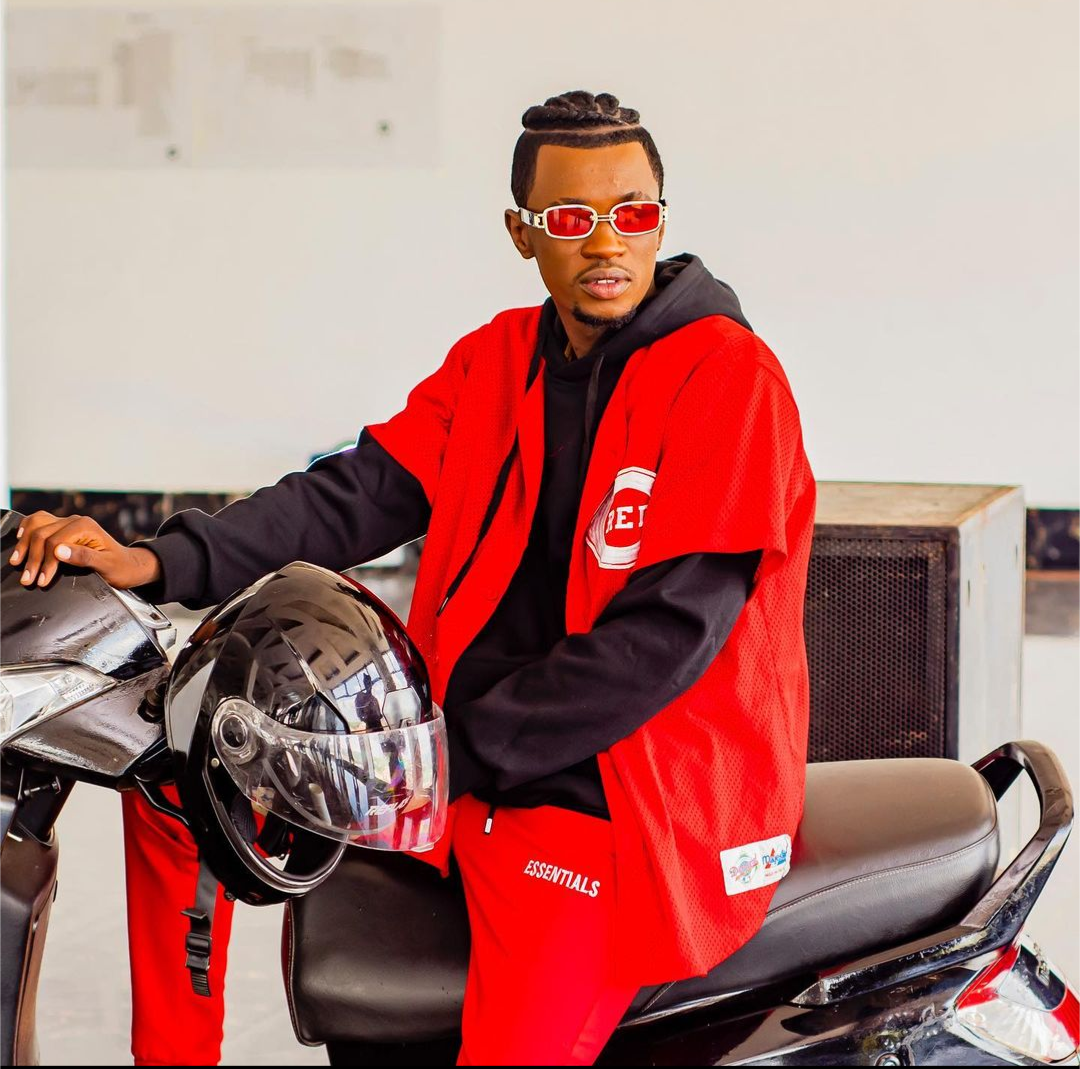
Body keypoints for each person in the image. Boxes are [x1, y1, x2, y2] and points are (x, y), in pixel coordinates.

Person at [9, 90, 816, 1066]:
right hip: (448, 755)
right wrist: (158, 560)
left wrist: (448, 755)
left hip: (610, 791)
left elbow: (665, 641)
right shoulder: (497, 361)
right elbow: (355, 494)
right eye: (571, 217)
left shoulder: (729, 378)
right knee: (175, 783)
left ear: (660, 219)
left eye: (632, 212)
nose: (607, 241)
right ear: (522, 233)